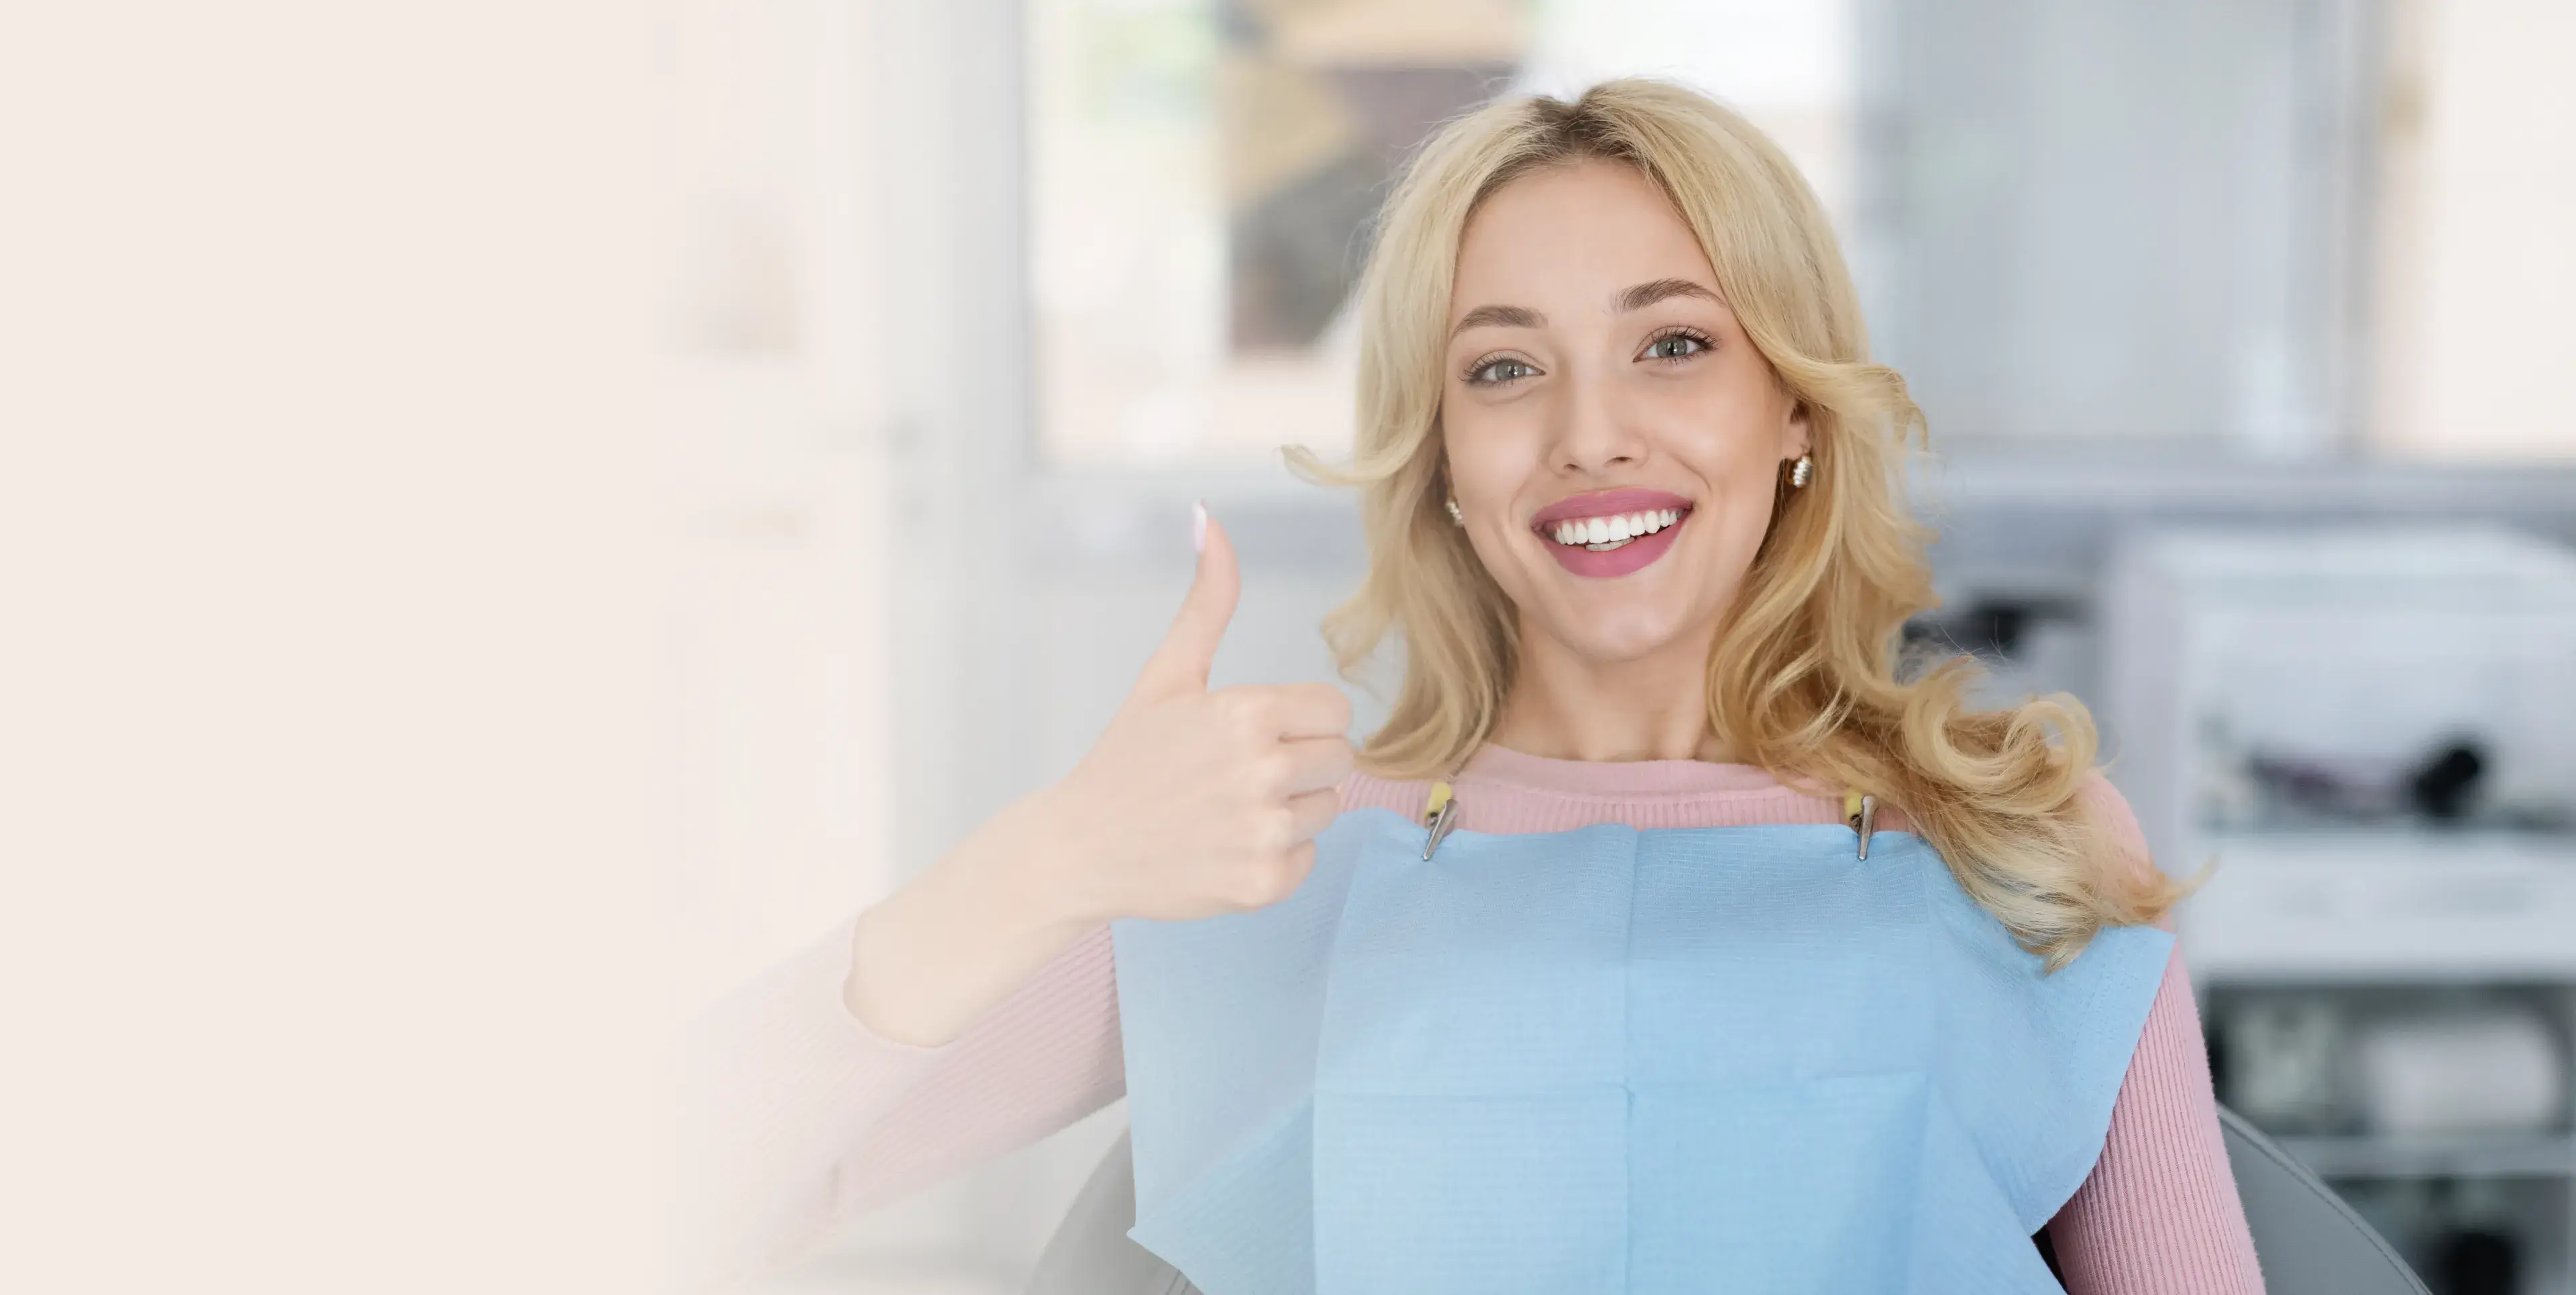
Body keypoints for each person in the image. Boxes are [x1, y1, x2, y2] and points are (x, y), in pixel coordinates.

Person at [680, 79, 2265, 1294]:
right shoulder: (1257, 847)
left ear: (1795, 407)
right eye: (1504, 366)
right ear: (1442, 456)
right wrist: (1046, 861)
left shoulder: (2023, 837)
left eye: (1675, 346)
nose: (1590, 434)